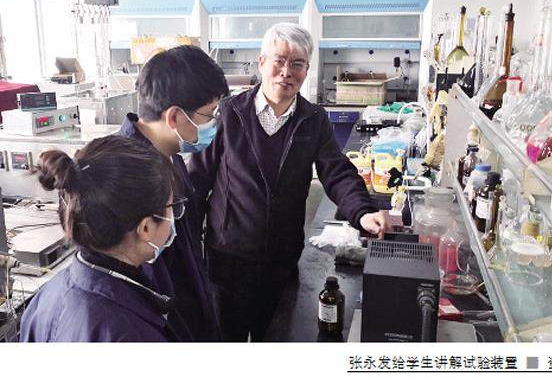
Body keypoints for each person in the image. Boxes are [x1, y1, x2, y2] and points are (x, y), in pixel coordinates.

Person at [188, 23, 390, 342]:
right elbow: (197, 181)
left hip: (281, 262)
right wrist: (190, 253)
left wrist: (362, 212)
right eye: (279, 61)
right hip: (227, 261)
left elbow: (337, 171)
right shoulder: (229, 114)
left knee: (277, 340)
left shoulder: (313, 119)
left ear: (306, 70)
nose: (286, 72)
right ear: (261, 63)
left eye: (297, 63)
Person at [20, 136, 179, 342]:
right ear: (146, 228)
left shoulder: (46, 296)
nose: (174, 216)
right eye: (172, 207)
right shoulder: (129, 333)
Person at [118, 45, 228, 341]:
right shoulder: (130, 178)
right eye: (209, 115)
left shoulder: (169, 154)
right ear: (175, 117)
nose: (214, 124)